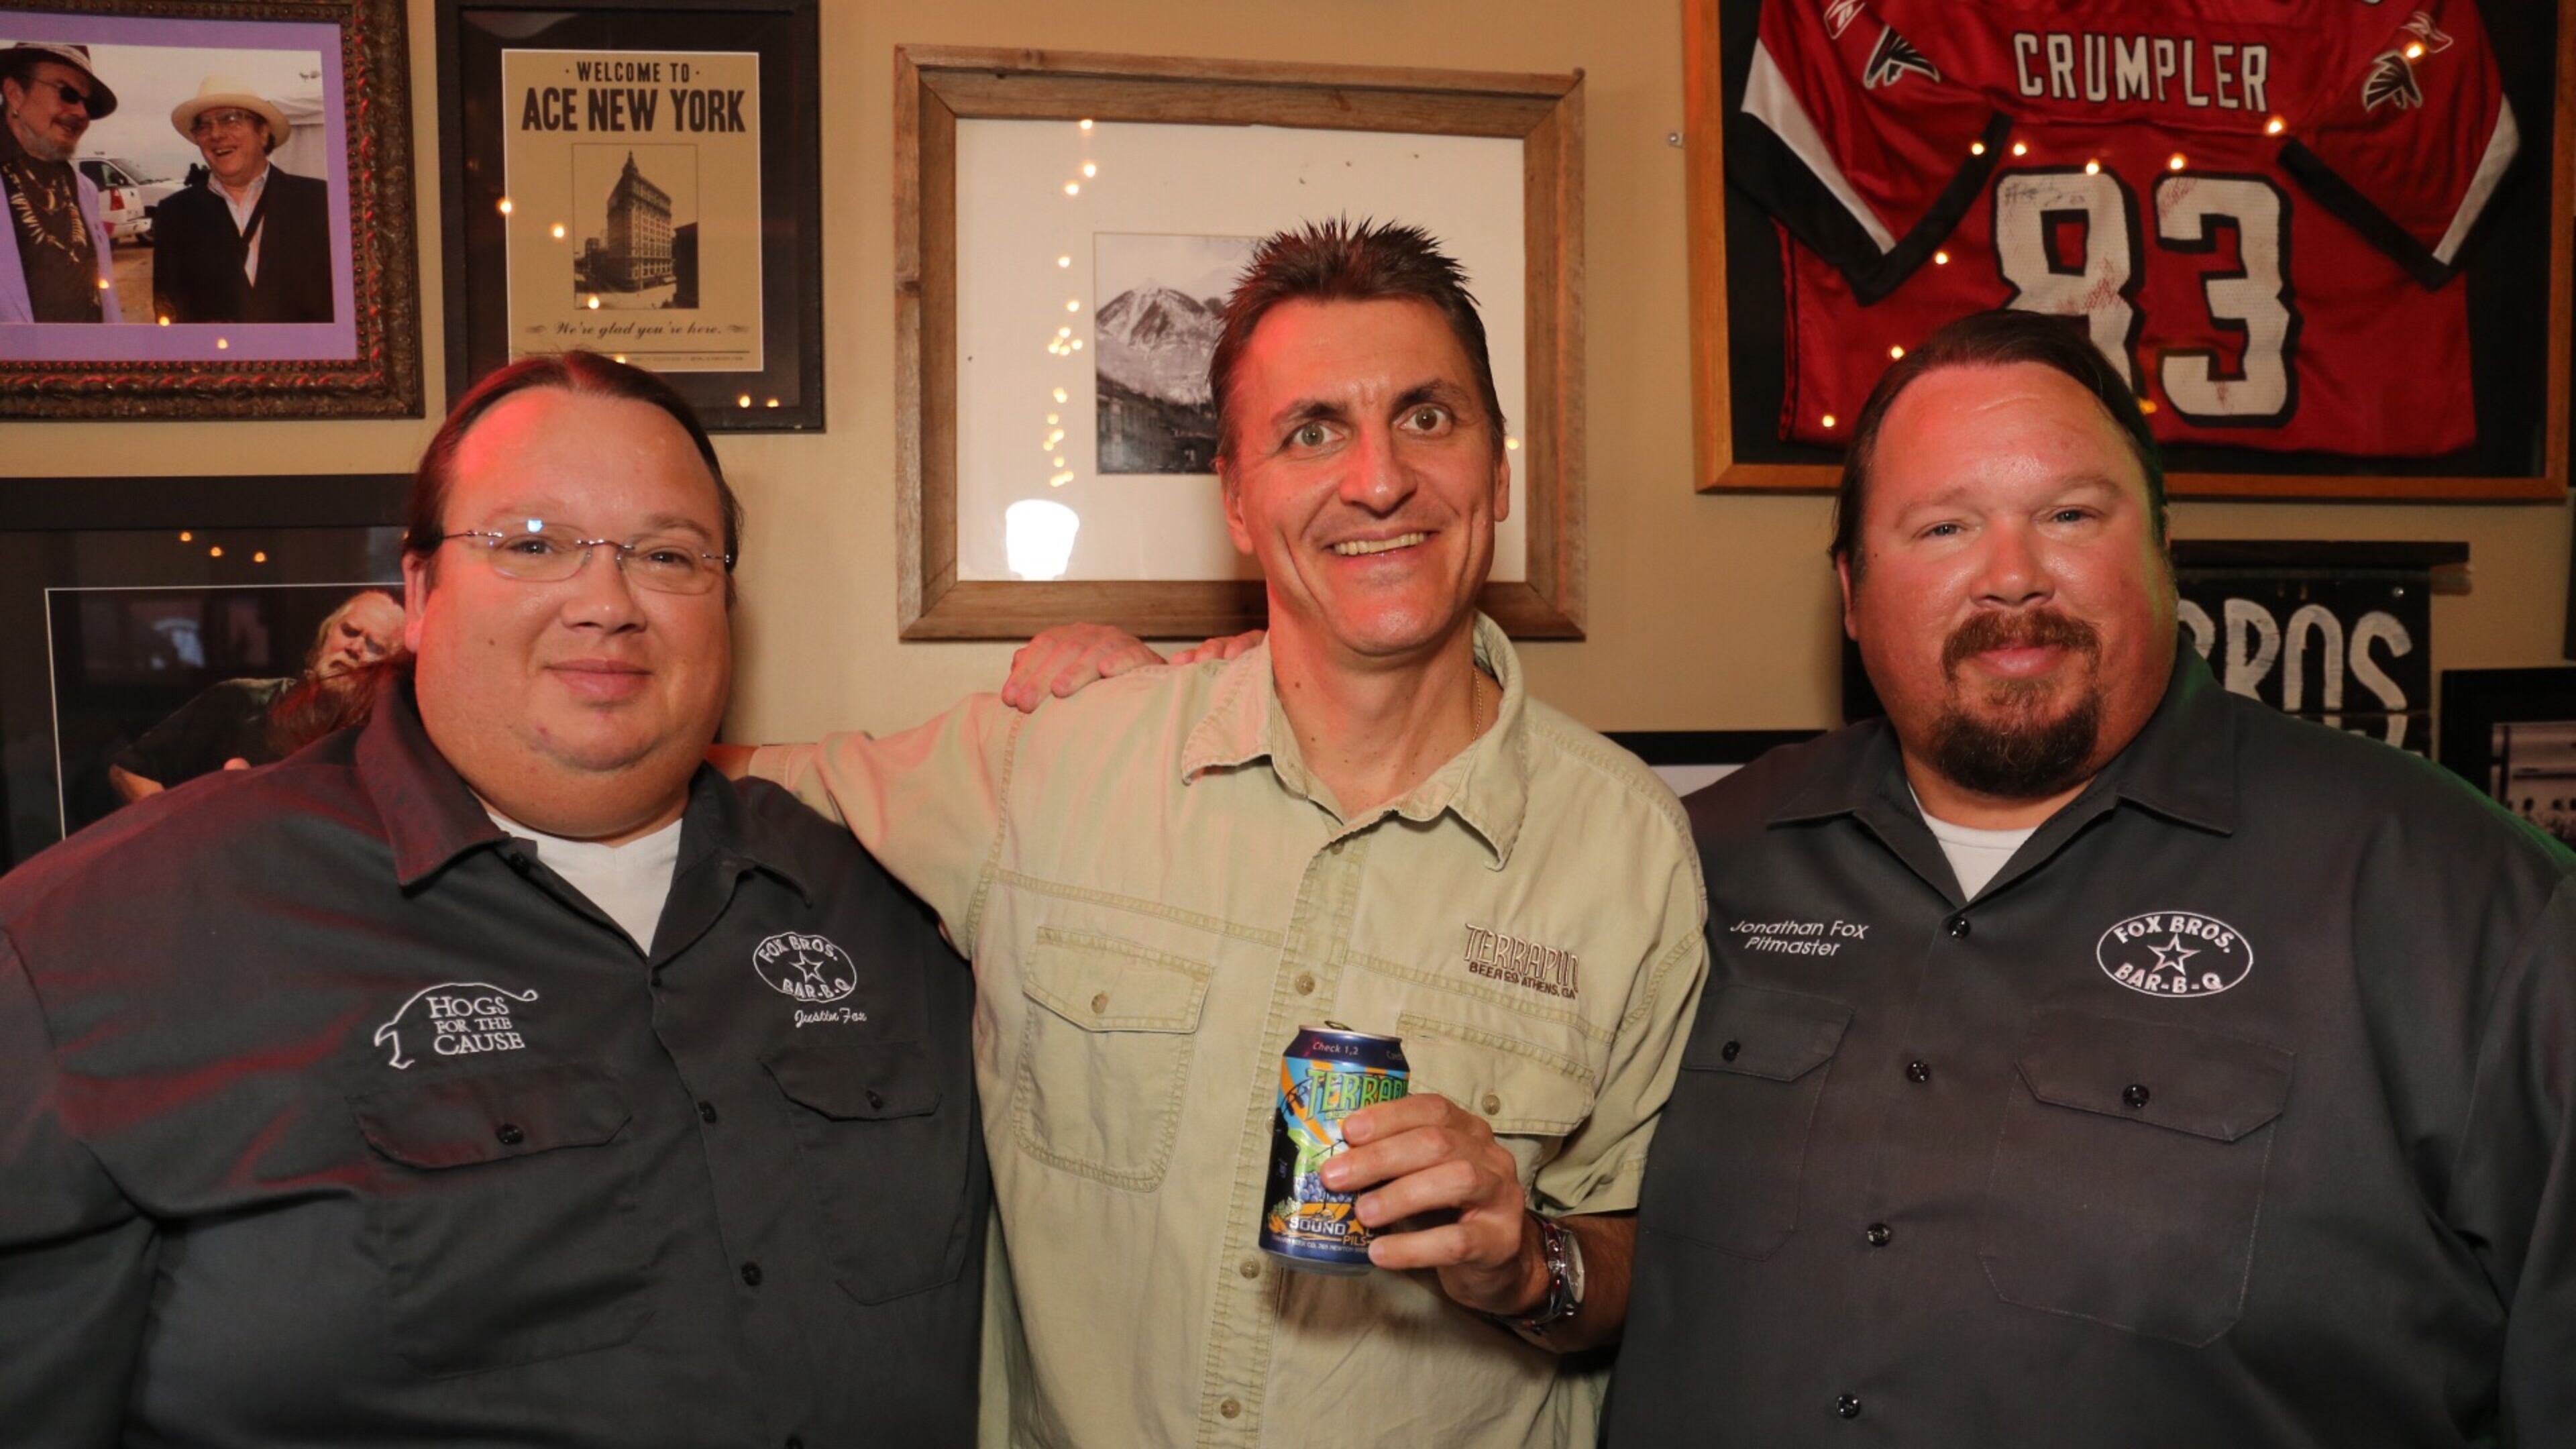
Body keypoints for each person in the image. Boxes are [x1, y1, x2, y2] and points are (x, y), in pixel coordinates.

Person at [725, 219, 1706, 1446]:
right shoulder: (1052, 762)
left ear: (1498, 471)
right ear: (1238, 499)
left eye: (1427, 417)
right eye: (1312, 432)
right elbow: (672, 779)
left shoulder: (1634, 854)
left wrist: (1526, 1266)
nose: (1379, 479)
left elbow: (1640, 1266)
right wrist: (424, 686)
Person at [1611, 309, 2576, 1445]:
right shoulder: (1697, 861)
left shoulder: (2463, 900)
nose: (2012, 577)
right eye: (1943, 528)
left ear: (2164, 553)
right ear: (1852, 590)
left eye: (2070, 515)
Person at [0, 353, 987, 1446]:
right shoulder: (103, 934)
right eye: (531, 546)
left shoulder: (889, 904)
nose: (605, 603)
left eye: (666, 555)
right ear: (418, 594)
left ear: (725, 601)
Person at [107, 588, 404, 801]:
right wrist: (177, 840)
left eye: (375, 646)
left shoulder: (389, 741)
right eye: (349, 631)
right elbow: (131, 770)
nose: (354, 648)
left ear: (391, 669)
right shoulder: (242, 701)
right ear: (327, 633)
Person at [152, 74, 334, 323]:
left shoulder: (320, 202)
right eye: (204, 125)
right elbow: (169, 316)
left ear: (263, 132)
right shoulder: (175, 214)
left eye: (231, 119)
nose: (216, 134)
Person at [0, 40, 117, 323]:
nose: (82, 113)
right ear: (15, 94)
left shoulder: (84, 189)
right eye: (67, 93)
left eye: (86, 103)